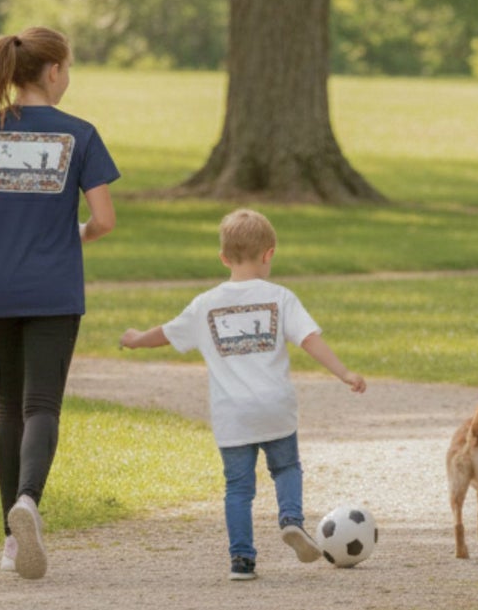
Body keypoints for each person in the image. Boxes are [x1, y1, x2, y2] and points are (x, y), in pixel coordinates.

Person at [0, 27, 118, 581]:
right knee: (42, 407)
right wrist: (70, 235)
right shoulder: (80, 135)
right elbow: (103, 220)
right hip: (55, 289)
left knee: (8, 408)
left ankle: (12, 542)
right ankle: (28, 501)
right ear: (54, 70)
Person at [119, 209, 366, 581]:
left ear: (223, 258)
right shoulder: (281, 298)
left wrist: (137, 340)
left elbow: (167, 333)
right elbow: (309, 340)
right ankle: (291, 519)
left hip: (232, 414)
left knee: (238, 488)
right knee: (285, 467)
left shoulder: (205, 304)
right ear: (269, 254)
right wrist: (344, 372)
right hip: (276, 407)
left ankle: (242, 561)